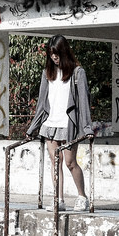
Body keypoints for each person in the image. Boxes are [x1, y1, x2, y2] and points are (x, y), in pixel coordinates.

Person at [26, 35, 94, 211]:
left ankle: (82, 197)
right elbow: (42, 103)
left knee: (70, 162)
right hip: (50, 124)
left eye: (56, 53)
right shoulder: (47, 74)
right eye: (50, 54)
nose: (53, 57)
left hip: (68, 124)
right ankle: (58, 199)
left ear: (64, 52)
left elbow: (84, 102)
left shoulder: (77, 73)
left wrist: (87, 128)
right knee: (55, 162)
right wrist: (33, 127)